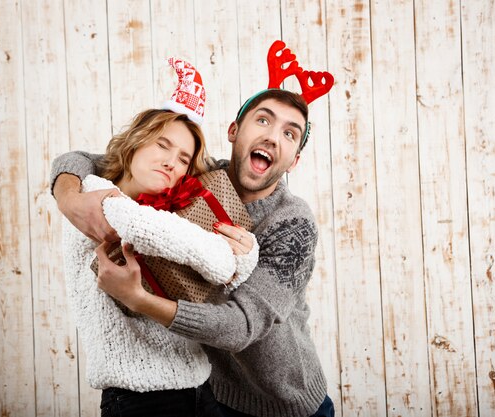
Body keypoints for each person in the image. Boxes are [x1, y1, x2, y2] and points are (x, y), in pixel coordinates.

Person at [53, 42, 335, 416]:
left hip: (283, 404)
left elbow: (240, 327)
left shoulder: (293, 222)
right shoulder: (197, 177)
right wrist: (70, 197)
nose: (272, 136)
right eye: (263, 120)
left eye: (289, 133)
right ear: (235, 130)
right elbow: (93, 159)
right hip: (208, 393)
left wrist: (139, 300)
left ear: (295, 159)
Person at [59, 58, 257, 417]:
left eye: (183, 158)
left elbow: (224, 280)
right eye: (162, 145)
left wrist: (238, 259)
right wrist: (242, 253)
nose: (171, 162)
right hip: (142, 401)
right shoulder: (97, 195)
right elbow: (219, 263)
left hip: (201, 389)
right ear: (135, 142)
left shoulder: (166, 213)